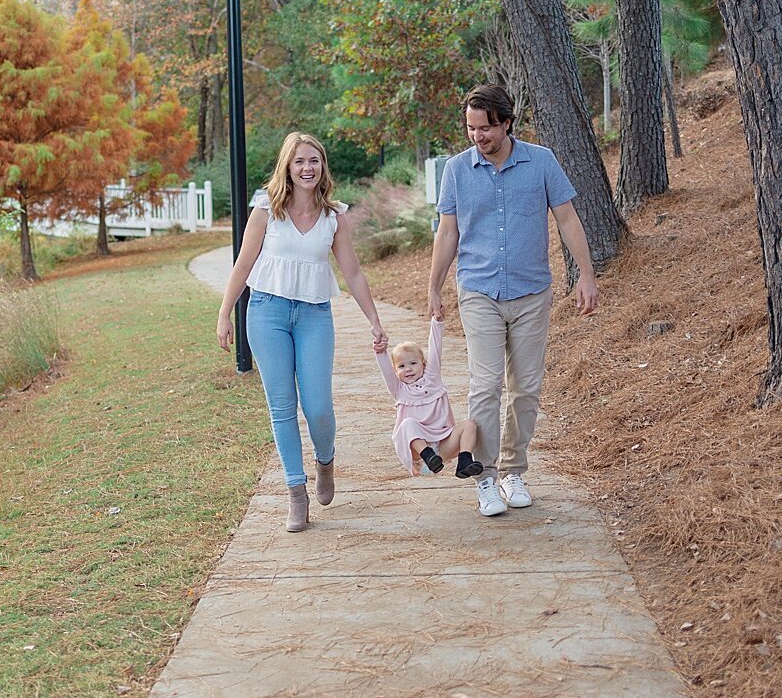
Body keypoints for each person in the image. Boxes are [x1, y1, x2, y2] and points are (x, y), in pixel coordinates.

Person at [427, 85, 600, 518]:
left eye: (485, 128)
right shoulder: (456, 170)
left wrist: (586, 274)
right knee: (485, 386)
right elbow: (447, 232)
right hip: (479, 289)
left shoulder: (541, 162)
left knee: (525, 388)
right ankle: (482, 476)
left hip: (531, 292)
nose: (477, 136)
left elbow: (567, 218)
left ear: (506, 123)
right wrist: (434, 286)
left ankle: (513, 471)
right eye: (470, 128)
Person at [217, 132, 388, 533]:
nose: (307, 168)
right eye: (299, 162)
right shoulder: (265, 211)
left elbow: (354, 273)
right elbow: (243, 266)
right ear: (287, 168)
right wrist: (225, 314)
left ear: (322, 165)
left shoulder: (334, 217)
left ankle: (325, 461)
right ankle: (296, 493)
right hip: (266, 313)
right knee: (281, 407)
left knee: (318, 408)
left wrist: (375, 321)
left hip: (314, 316)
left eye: (314, 160)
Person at [376, 315, 482, 479]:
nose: (408, 369)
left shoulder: (432, 379)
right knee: (407, 424)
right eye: (402, 366)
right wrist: (381, 352)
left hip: (442, 447)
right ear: (396, 371)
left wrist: (437, 322)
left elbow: (435, 348)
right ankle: (427, 455)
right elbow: (386, 371)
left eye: (413, 363)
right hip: (419, 452)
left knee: (469, 425)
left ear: (423, 364)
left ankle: (465, 462)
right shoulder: (399, 389)